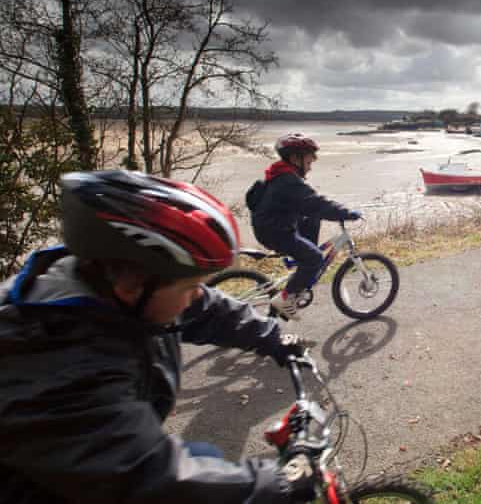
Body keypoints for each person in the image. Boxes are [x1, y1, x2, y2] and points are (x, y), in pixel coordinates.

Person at [0, 170, 316, 503]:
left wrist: (271, 337)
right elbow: (149, 479)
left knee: (203, 455)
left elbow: (205, 308)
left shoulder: (113, 289)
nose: (198, 296)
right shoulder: (53, 360)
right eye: (191, 286)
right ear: (131, 286)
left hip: (80, 479)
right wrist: (278, 484)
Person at [249, 133, 361, 320]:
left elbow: (308, 205)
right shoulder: (288, 180)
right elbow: (316, 202)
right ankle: (285, 298)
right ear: (295, 159)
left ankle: (301, 267)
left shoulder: (280, 175)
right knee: (316, 258)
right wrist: (345, 212)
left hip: (271, 225)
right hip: (276, 231)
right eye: (308, 163)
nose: (309, 169)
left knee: (312, 219)